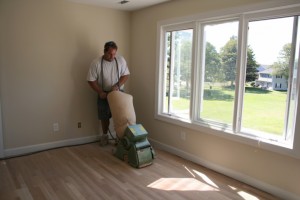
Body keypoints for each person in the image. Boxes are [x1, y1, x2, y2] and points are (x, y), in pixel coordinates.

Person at [87, 41, 130, 146]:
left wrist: (117, 85)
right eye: (110, 54)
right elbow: (91, 80)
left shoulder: (120, 60)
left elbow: (126, 75)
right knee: (104, 116)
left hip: (118, 92)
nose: (112, 56)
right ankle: (105, 136)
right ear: (104, 52)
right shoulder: (96, 63)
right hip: (104, 93)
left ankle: (119, 138)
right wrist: (100, 92)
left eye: (114, 54)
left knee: (120, 116)